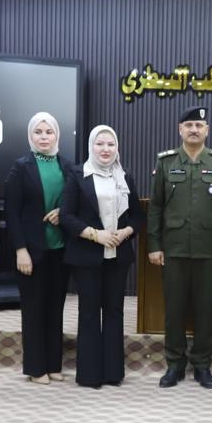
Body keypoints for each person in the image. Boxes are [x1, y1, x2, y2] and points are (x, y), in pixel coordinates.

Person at [147, 105, 212, 389]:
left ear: (207, 130)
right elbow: (156, 207)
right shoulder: (166, 162)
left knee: (205, 311)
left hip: (210, 250)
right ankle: (174, 364)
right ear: (180, 130)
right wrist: (154, 244)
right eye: (189, 125)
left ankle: (202, 365)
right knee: (174, 311)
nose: (194, 129)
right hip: (174, 250)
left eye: (199, 125)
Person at [64, 125, 144, 388]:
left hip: (117, 256)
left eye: (111, 144)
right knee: (89, 313)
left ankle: (112, 372)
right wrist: (94, 235)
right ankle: (89, 375)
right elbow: (66, 216)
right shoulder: (78, 174)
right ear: (91, 146)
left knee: (114, 312)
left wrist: (126, 232)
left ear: (117, 147)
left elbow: (137, 216)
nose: (105, 149)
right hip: (87, 255)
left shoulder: (125, 176)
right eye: (100, 144)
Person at [5, 112, 73, 384]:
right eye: (38, 132)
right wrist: (20, 250)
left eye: (49, 132)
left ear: (57, 135)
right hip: (31, 252)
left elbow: (75, 202)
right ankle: (35, 368)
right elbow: (11, 212)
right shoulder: (21, 167)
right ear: (30, 136)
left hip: (60, 249)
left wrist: (63, 211)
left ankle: (53, 364)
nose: (44, 137)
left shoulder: (66, 166)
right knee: (34, 310)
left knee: (55, 309)